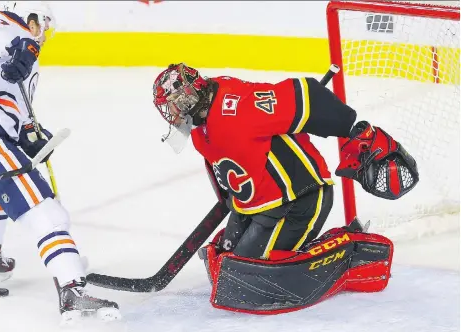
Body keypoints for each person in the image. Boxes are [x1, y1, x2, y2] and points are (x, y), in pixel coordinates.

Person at [152, 63, 419, 314]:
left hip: (299, 199)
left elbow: (307, 96)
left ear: (187, 98)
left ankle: (350, 247)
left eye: (172, 106)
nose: (171, 115)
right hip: (257, 203)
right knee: (226, 261)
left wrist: (352, 129)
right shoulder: (203, 121)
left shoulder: (237, 109)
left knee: (245, 273)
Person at [0, 1, 120, 321]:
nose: (46, 36)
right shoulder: (5, 27)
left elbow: (13, 115)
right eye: (45, 27)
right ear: (32, 20)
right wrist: (19, 43)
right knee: (43, 208)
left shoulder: (26, 57)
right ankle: (72, 288)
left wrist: (31, 134)